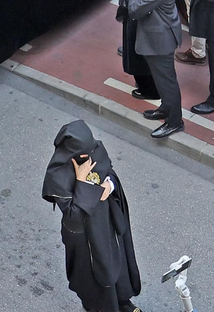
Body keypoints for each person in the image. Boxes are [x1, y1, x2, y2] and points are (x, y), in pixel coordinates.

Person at [42, 120, 142, 312]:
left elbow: (109, 171)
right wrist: (81, 181)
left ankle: (123, 303)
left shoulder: (94, 149)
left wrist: (109, 185)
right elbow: (74, 216)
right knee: (97, 282)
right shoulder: (57, 175)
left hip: (108, 224)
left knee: (119, 269)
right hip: (85, 240)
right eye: (83, 155)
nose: (89, 157)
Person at [121, 0, 183, 138]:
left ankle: (174, 121)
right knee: (161, 79)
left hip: (160, 37)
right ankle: (165, 109)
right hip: (155, 33)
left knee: (166, 81)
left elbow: (136, 9)